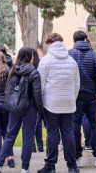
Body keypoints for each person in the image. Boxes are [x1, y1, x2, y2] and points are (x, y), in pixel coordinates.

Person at [0, 47, 43, 173]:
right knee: (28, 138)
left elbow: (7, 89)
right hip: (30, 108)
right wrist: (40, 109)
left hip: (15, 107)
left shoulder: (13, 70)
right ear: (29, 56)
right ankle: (24, 168)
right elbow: (37, 94)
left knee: (9, 136)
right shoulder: (34, 72)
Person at [37, 33, 80, 173]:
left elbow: (40, 84)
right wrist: (72, 98)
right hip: (68, 101)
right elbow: (77, 84)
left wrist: (41, 102)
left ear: (49, 43)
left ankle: (51, 165)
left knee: (52, 133)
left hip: (51, 102)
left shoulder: (45, 61)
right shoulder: (72, 61)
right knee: (68, 133)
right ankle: (72, 165)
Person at [68, 30, 96, 168]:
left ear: (74, 41)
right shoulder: (93, 54)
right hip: (91, 94)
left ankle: (78, 156)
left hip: (76, 95)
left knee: (75, 124)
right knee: (94, 124)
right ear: (85, 40)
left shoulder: (70, 54)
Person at [31, 49, 44, 153]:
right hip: (40, 96)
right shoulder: (40, 66)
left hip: (31, 97)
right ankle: (40, 145)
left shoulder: (28, 68)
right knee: (38, 121)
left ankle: (33, 146)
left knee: (31, 122)